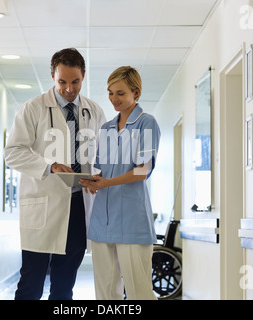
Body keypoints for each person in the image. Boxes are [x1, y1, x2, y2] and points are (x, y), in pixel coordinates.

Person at [4, 48, 106, 300]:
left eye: (75, 82)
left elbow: (103, 155)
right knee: (32, 281)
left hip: (79, 205)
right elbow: (13, 153)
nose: (69, 89)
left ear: (83, 76)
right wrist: (50, 165)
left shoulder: (94, 111)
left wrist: (100, 176)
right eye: (62, 82)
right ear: (52, 76)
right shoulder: (33, 108)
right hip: (44, 202)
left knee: (64, 285)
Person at [80, 66, 160, 300]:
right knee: (105, 293)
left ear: (136, 92)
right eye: (110, 93)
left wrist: (106, 183)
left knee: (139, 292)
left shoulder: (147, 123)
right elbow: (102, 170)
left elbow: (143, 170)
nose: (114, 99)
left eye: (120, 93)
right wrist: (92, 181)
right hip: (102, 220)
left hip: (132, 220)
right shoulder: (105, 129)